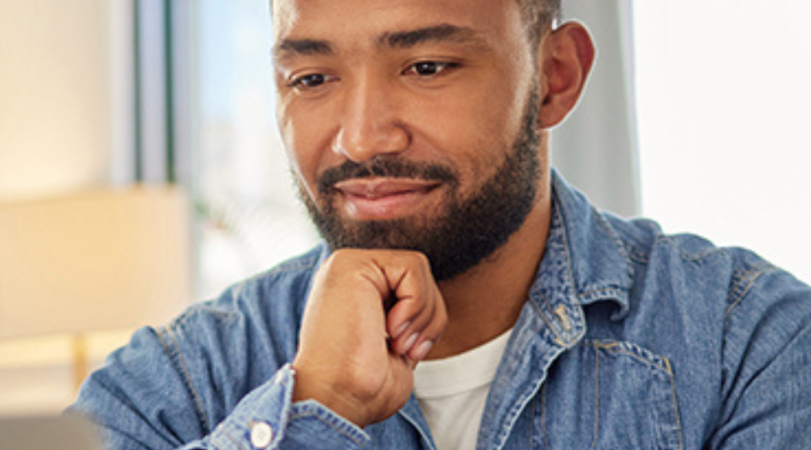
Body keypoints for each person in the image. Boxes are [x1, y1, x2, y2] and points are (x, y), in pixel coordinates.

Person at [69, 0, 811, 448]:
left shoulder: (748, 344)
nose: (362, 138)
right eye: (312, 78)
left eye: (426, 66)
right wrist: (312, 411)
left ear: (555, 78)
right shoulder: (181, 376)